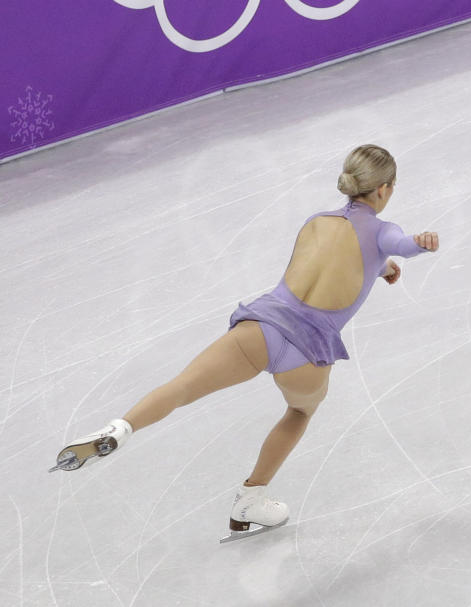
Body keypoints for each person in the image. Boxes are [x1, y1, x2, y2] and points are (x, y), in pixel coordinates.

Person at [50, 144, 439, 538]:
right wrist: (417, 245)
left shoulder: (316, 221)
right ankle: (250, 499)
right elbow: (399, 245)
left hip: (261, 329)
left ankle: (120, 428)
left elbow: (333, 265)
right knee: (300, 413)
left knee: (182, 386)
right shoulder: (384, 232)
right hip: (306, 354)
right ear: (384, 190)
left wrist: (379, 267)